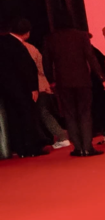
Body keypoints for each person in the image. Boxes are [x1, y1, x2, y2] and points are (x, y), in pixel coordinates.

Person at [43, 26, 105, 157]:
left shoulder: (51, 39)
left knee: (70, 115)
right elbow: (91, 58)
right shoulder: (81, 36)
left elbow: (46, 62)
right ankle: (87, 147)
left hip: (63, 82)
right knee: (85, 114)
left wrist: (51, 80)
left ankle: (78, 148)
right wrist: (102, 78)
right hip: (82, 81)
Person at [13, 20, 70, 149]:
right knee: (44, 112)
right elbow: (42, 67)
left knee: (43, 113)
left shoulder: (22, 48)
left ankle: (60, 135)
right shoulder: (31, 48)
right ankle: (58, 135)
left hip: (37, 86)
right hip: (42, 85)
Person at [0, 19, 46, 157]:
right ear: (26, 32)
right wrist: (33, 87)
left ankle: (20, 149)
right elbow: (26, 68)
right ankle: (32, 148)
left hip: (6, 89)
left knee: (14, 118)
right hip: (22, 88)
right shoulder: (17, 46)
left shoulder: (3, 42)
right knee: (28, 117)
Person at [88, 34, 105, 145]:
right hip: (102, 83)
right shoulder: (94, 51)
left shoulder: (90, 52)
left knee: (99, 109)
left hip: (98, 84)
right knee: (101, 108)